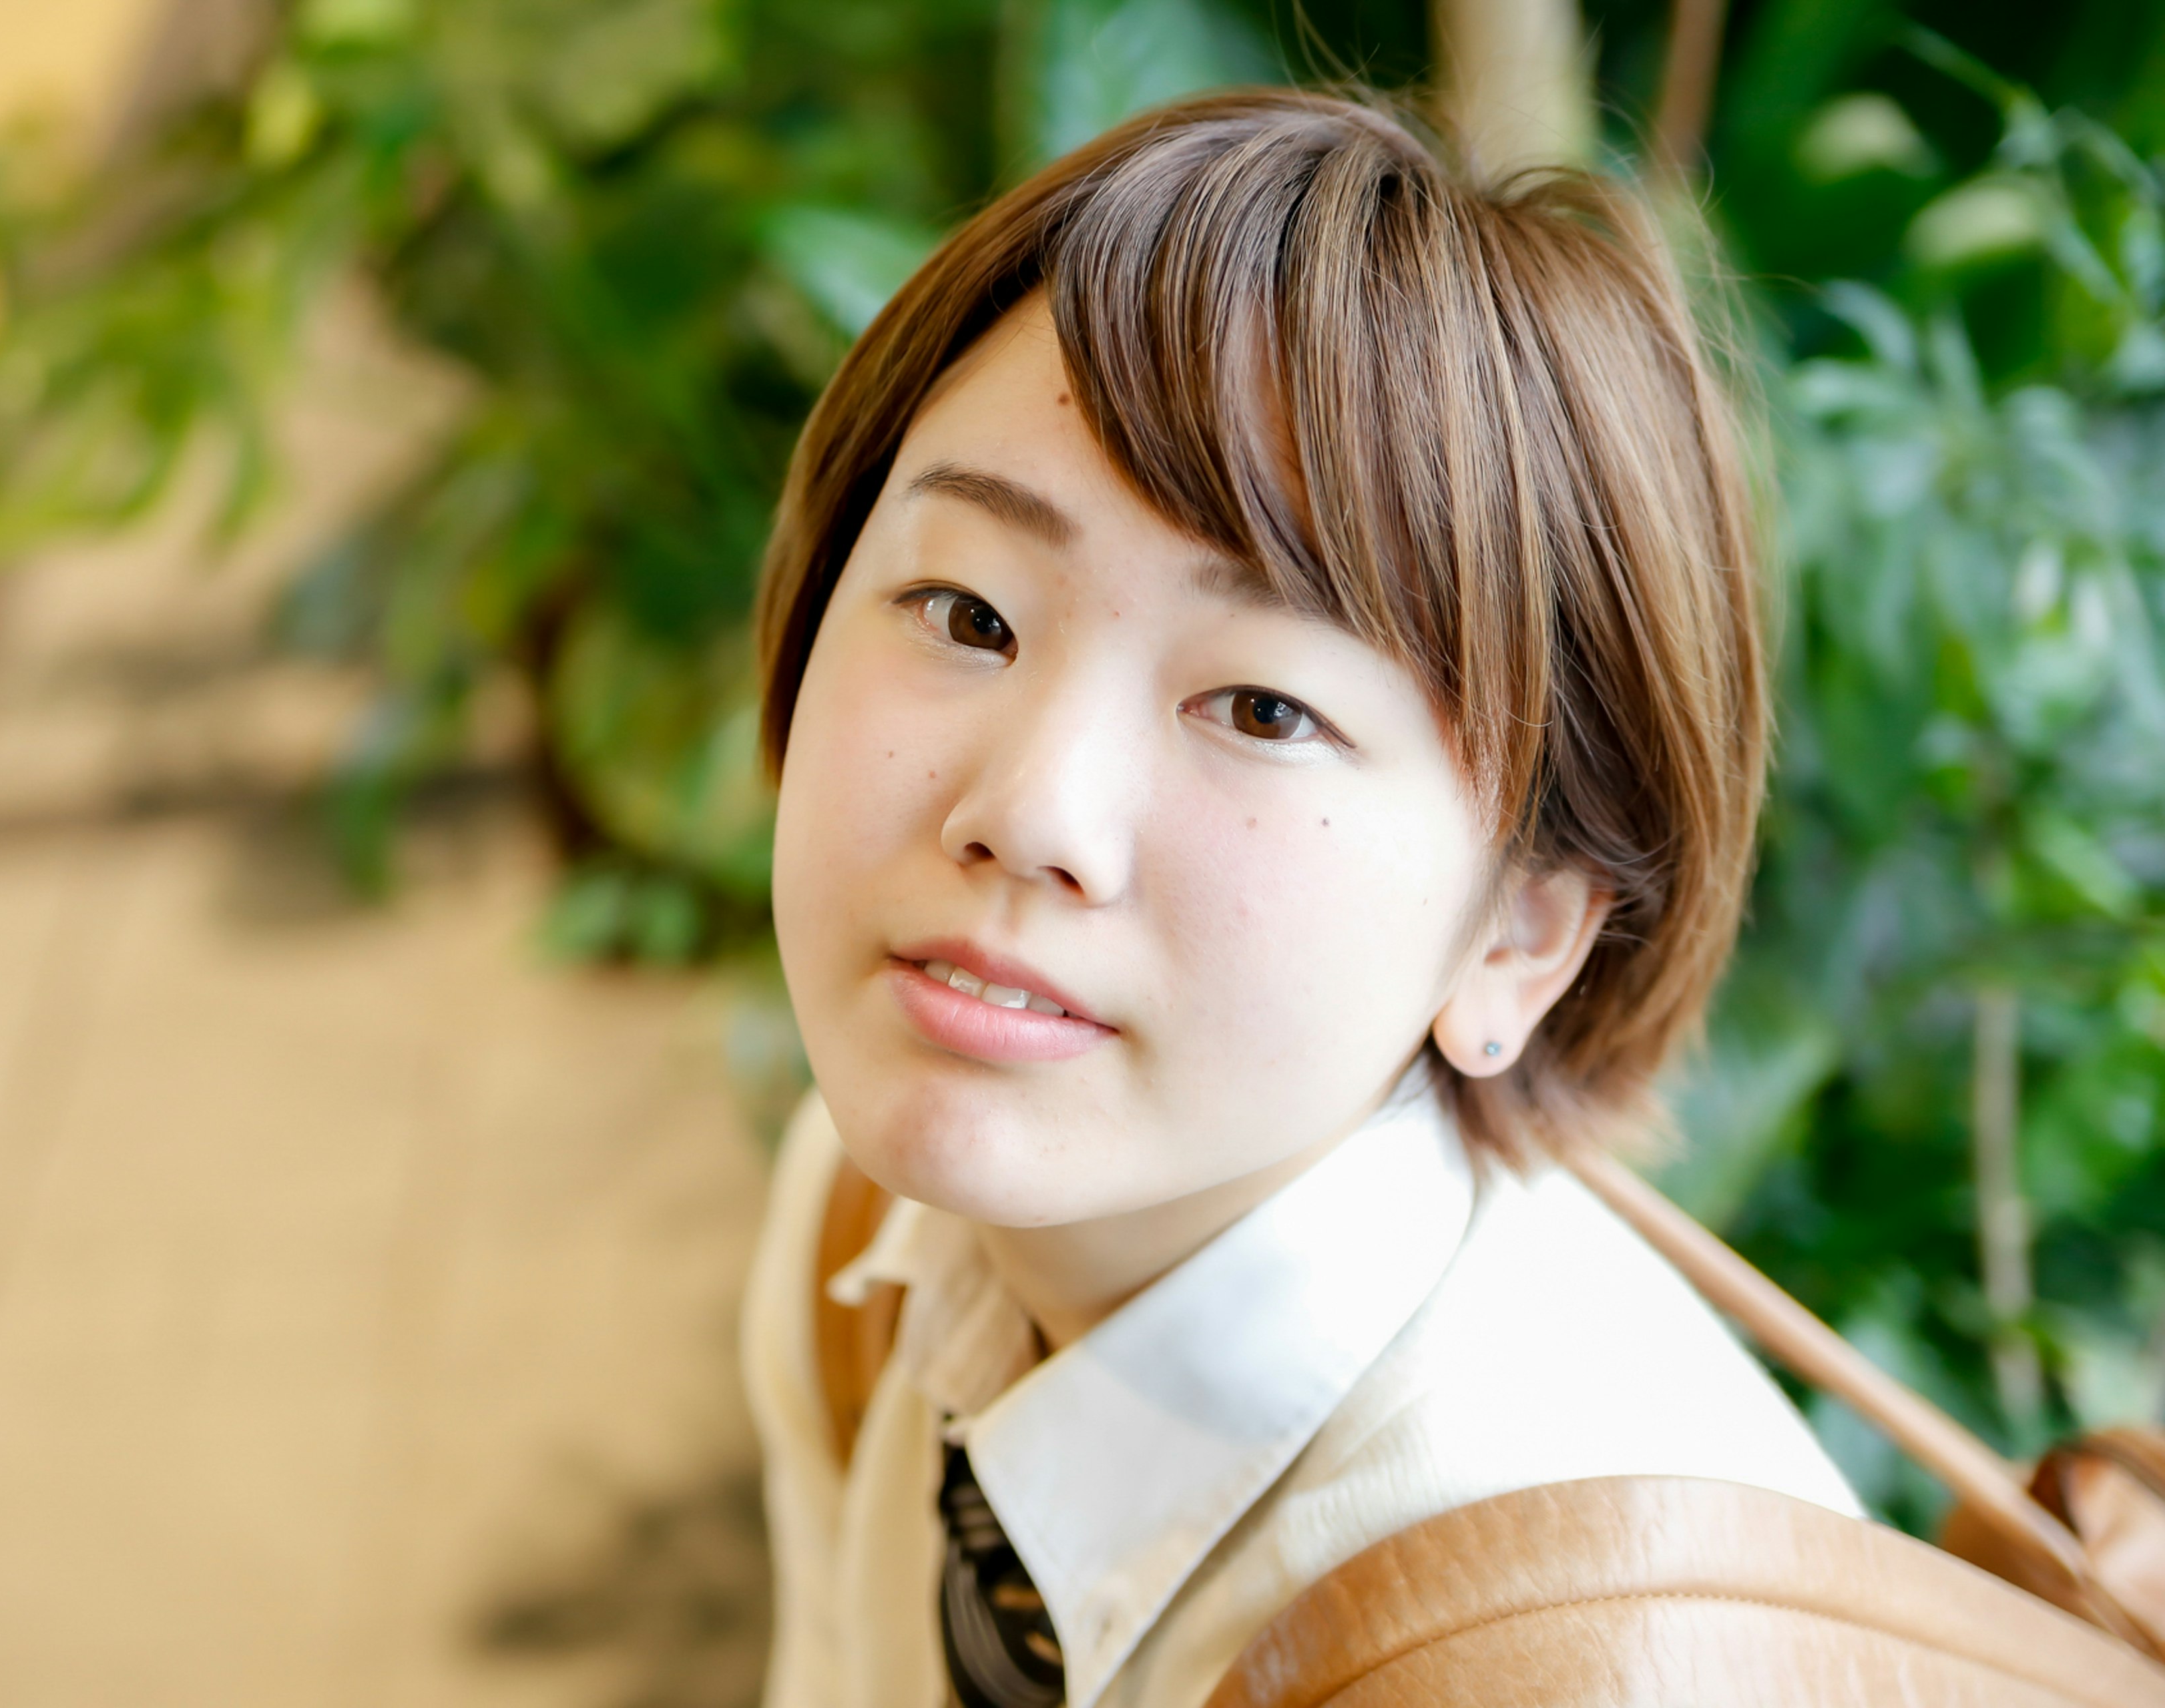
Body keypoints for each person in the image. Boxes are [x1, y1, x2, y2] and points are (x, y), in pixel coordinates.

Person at [740, 89, 1860, 1708]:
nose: (1033, 811)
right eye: (967, 610)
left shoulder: (1578, 1646)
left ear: (1522, 931)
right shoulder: (877, 1227)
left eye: (1263, 708)